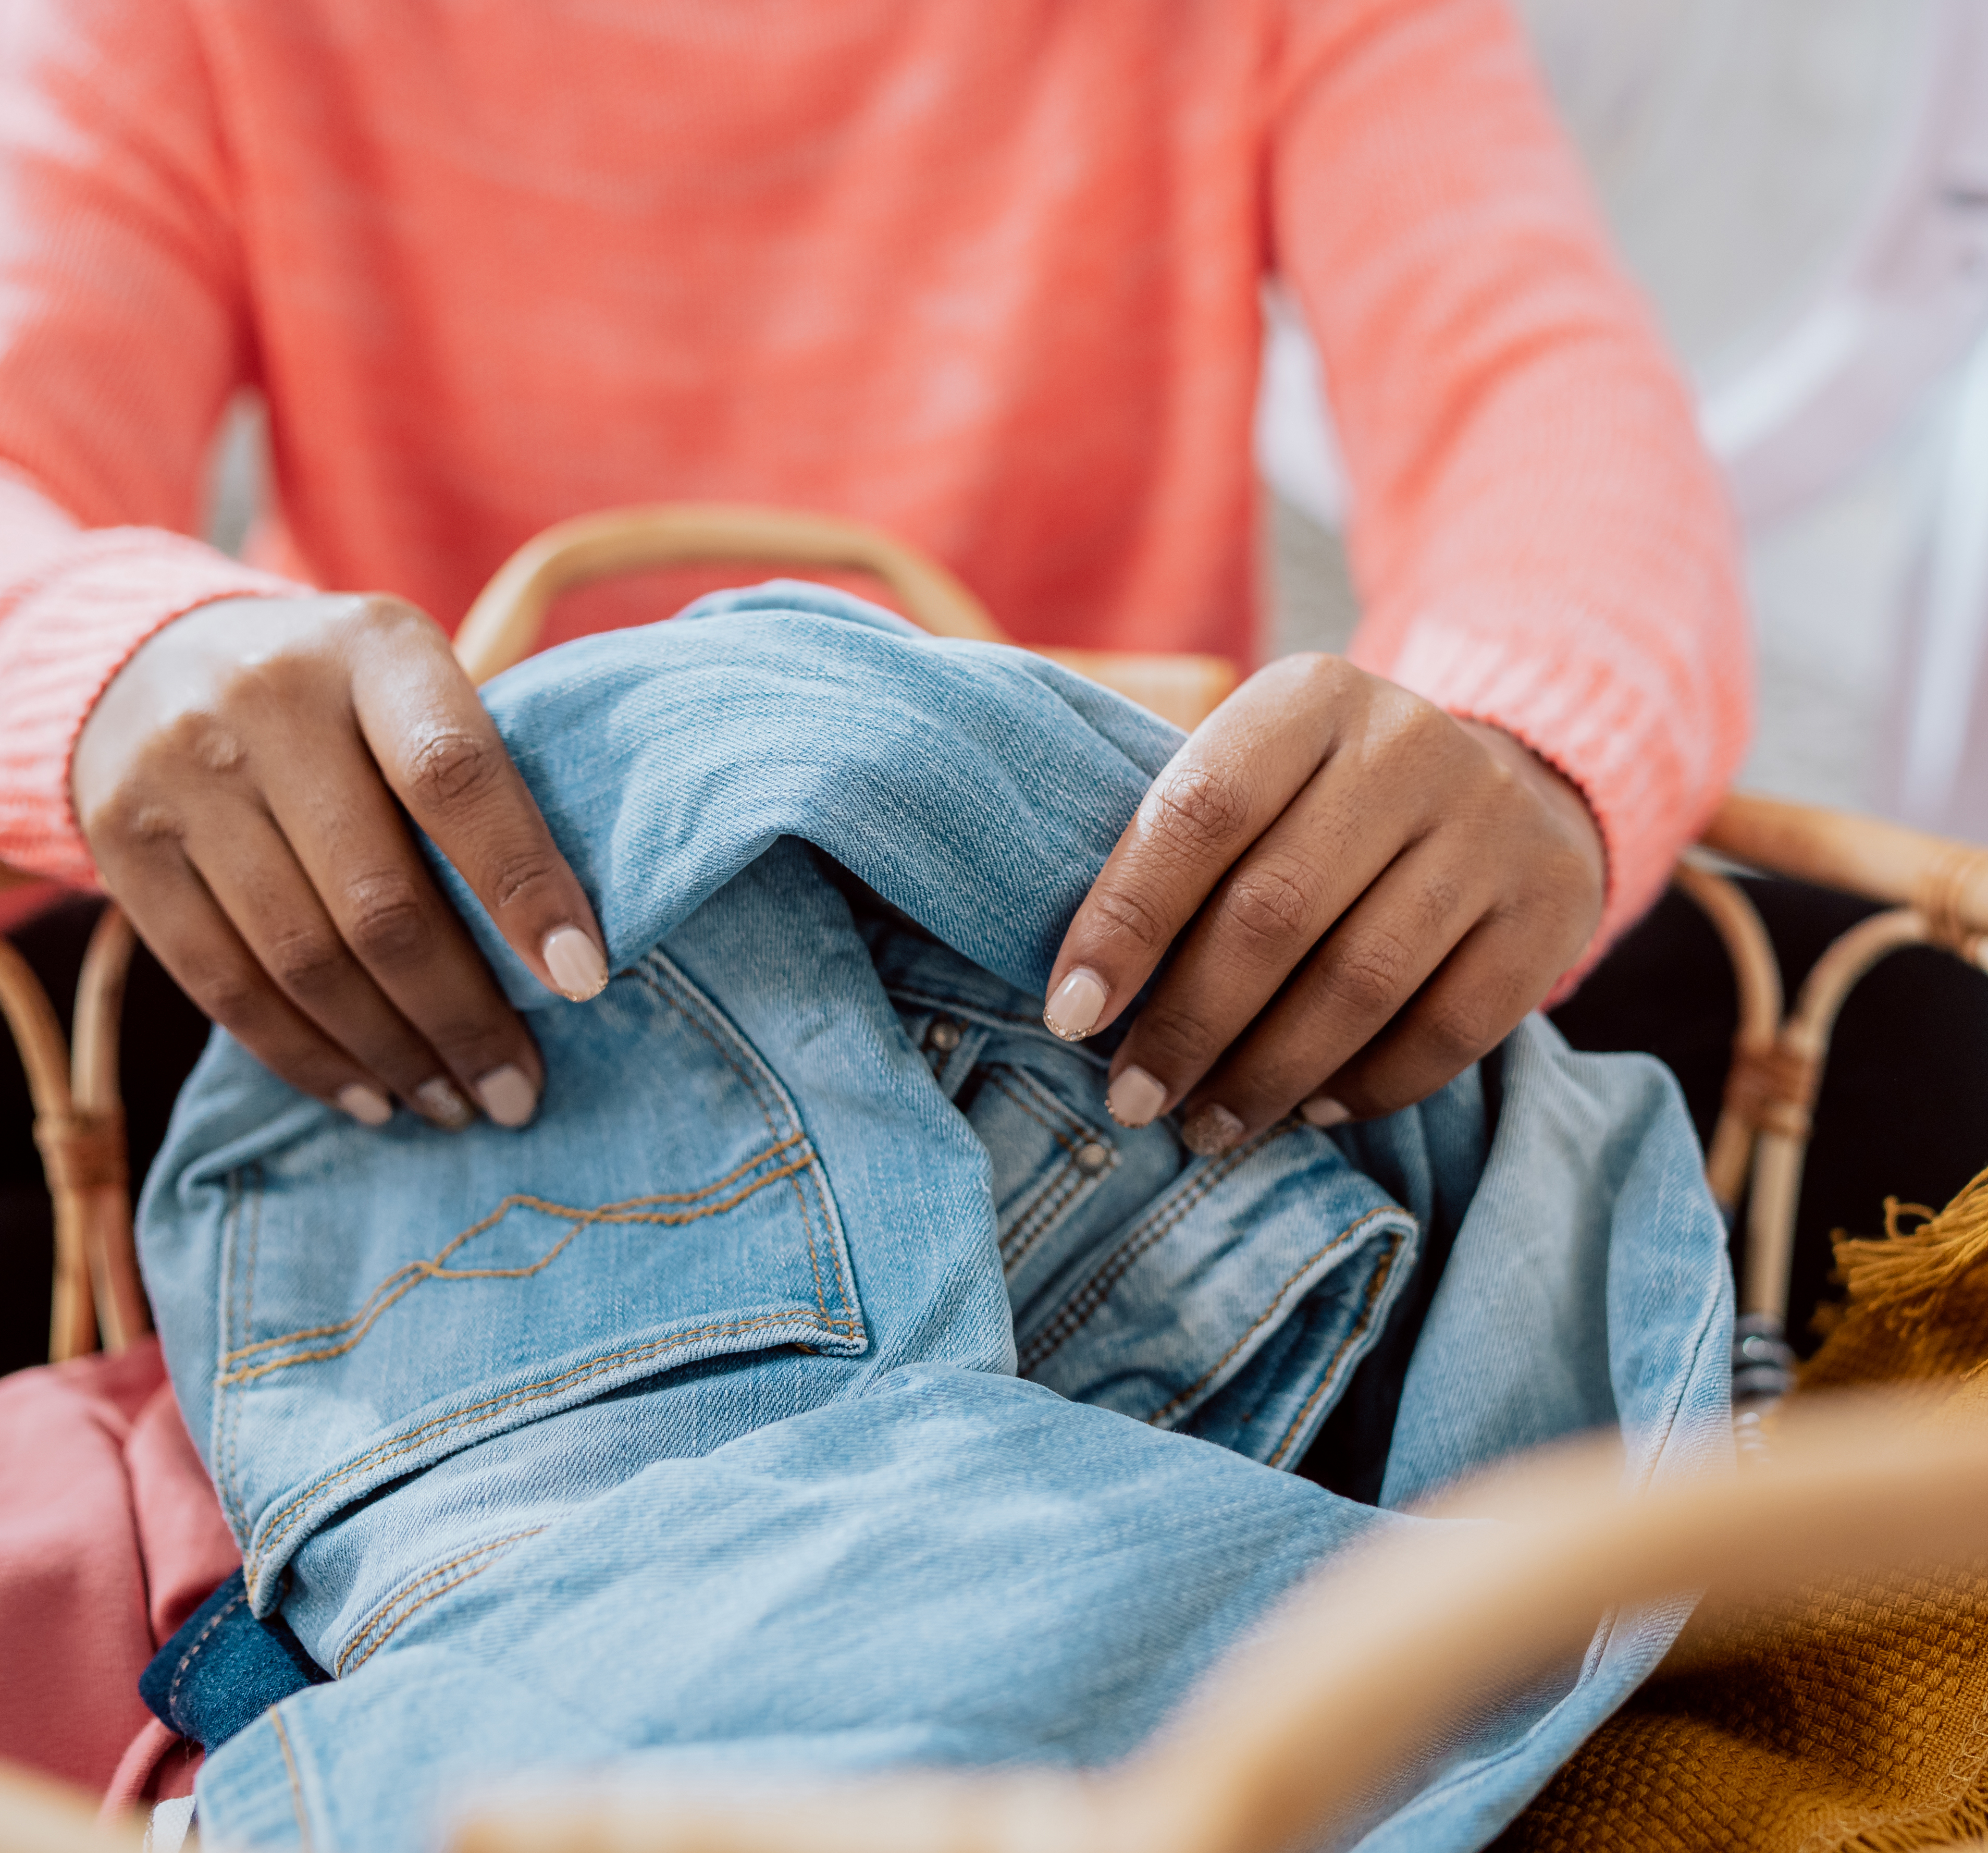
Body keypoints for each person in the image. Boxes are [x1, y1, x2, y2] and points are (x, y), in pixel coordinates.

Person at [0, 0, 1746, 1156]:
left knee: (1874, 1050)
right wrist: (118, 660)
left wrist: (1519, 742)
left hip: (1093, 991)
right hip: (419, 978)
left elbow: (1534, 379)